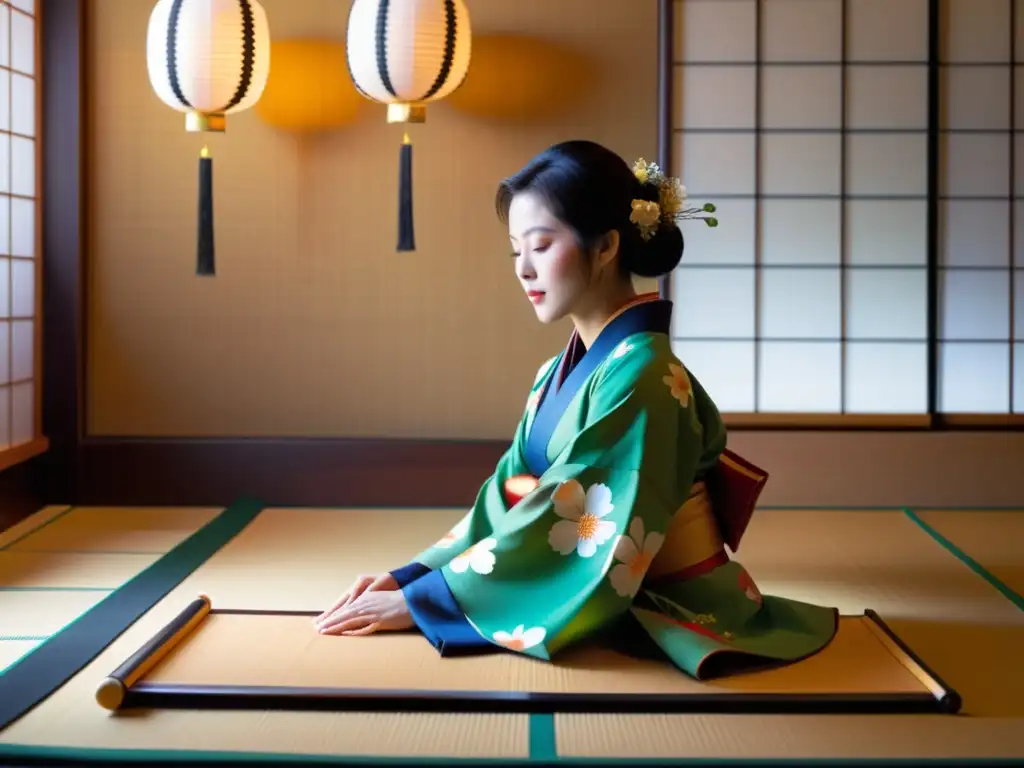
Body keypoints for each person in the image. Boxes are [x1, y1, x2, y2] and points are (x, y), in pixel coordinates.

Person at [313, 140, 838, 679]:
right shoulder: (555, 374)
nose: (523, 269)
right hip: (613, 588)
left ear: (607, 245)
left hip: (675, 604)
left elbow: (575, 511)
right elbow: (509, 497)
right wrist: (416, 578)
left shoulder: (643, 377)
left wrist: (433, 603)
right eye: (514, 250)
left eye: (540, 246)